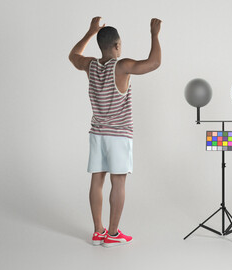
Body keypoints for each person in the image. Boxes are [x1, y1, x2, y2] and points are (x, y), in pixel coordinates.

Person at [69, 16, 162, 247]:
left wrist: (90, 32)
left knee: (97, 181)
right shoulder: (122, 66)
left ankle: (97, 232)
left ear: (101, 45)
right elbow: (154, 63)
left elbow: (73, 56)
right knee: (118, 183)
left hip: (97, 133)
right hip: (119, 136)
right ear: (117, 45)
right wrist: (154, 35)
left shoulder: (90, 64)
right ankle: (112, 234)